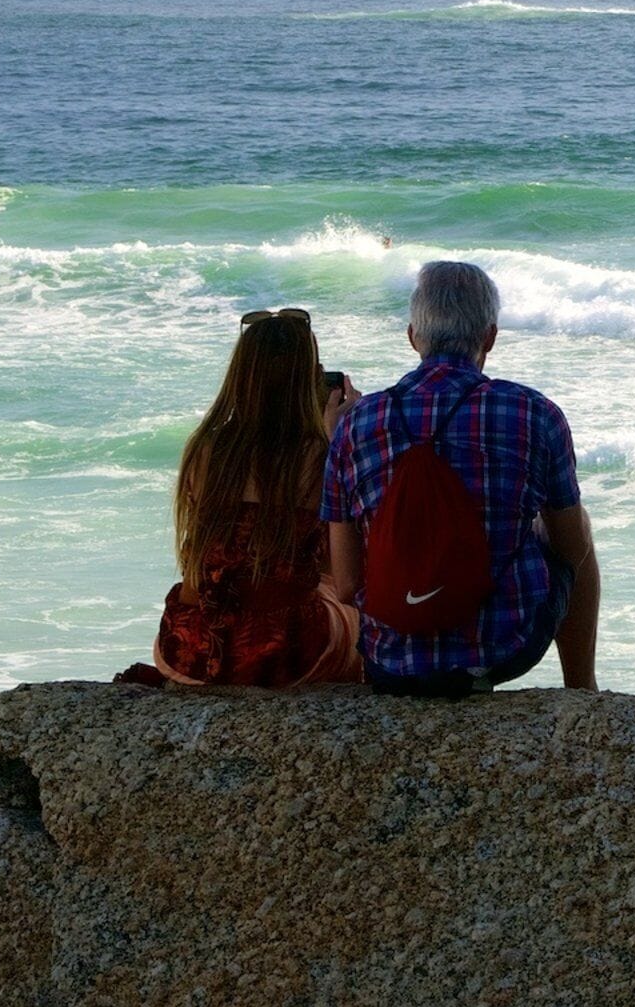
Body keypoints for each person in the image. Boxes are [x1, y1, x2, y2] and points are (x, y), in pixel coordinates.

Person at [325, 261, 600, 696]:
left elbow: (345, 584)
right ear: (489, 336)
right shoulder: (534, 412)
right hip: (506, 649)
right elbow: (572, 549)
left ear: (413, 336)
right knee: (576, 525)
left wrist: (337, 440)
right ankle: (582, 689)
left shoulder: (355, 423)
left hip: (391, 659)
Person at [142, 307, 362, 689]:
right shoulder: (323, 455)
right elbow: (345, 573)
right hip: (287, 652)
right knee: (351, 611)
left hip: (193, 645)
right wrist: (340, 438)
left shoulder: (205, 448)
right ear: (308, 379)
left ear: (241, 377)